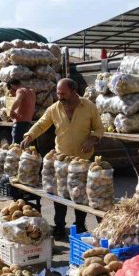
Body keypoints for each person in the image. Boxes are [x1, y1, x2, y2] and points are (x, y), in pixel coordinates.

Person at [22, 78, 103, 239]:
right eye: (58, 93)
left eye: (63, 93)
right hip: (62, 160)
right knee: (60, 194)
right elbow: (41, 124)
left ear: (74, 92)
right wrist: (29, 136)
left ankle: (80, 225)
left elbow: (99, 128)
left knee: (80, 195)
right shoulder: (55, 108)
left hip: (83, 160)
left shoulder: (88, 106)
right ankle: (59, 226)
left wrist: (92, 139)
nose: (60, 97)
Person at [7, 79, 35, 144]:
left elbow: (17, 100)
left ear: (12, 86)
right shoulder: (31, 91)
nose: (12, 93)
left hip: (19, 123)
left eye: (10, 90)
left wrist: (11, 111)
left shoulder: (20, 90)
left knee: (16, 146)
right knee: (24, 146)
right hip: (28, 122)